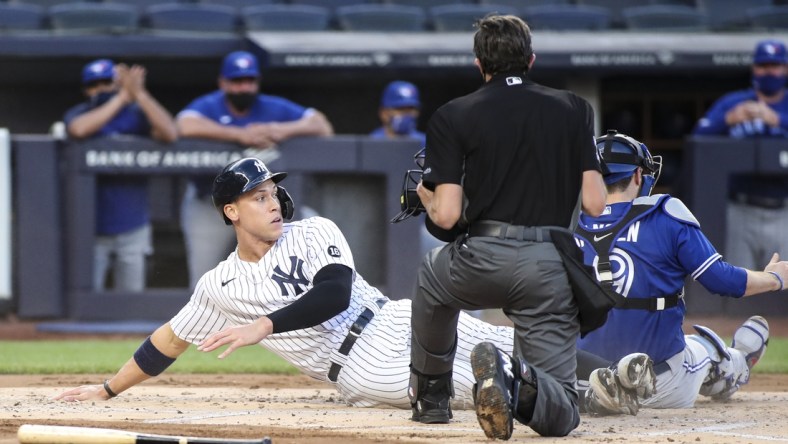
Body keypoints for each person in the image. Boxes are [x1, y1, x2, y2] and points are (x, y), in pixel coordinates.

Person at [53, 157, 519, 410]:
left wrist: (262, 326)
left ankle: (590, 381)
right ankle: (575, 400)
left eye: (273, 193)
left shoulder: (314, 229)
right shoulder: (221, 285)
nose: (273, 202)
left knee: (514, 344)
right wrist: (110, 389)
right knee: (475, 377)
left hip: (394, 316)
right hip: (358, 365)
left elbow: (335, 293)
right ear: (231, 212)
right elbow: (168, 341)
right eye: (258, 197)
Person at [408, 14, 607, 440]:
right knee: (564, 412)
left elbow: (444, 217)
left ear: (479, 64)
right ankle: (517, 382)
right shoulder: (574, 107)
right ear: (530, 60)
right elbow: (595, 202)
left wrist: (426, 201)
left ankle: (431, 398)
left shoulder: (454, 113)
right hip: (549, 267)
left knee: (430, 274)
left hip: (480, 259)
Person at [573, 130, 786, 416]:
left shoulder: (565, 224)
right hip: (659, 385)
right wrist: (775, 278)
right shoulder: (665, 212)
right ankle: (738, 364)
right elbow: (722, 280)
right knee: (703, 347)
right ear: (638, 176)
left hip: (587, 385)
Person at [176, 50, 334, 288]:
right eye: (237, 81)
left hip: (262, 207)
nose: (244, 87)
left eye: (249, 81)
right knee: (203, 279)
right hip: (211, 206)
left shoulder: (271, 107)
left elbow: (322, 125)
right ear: (223, 82)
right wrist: (240, 134)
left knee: (279, 272)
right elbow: (183, 124)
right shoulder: (210, 105)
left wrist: (282, 130)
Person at [63, 58, 178, 292]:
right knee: (88, 295)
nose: (102, 88)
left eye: (107, 82)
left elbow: (169, 133)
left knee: (131, 297)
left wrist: (140, 94)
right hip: (90, 225)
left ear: (116, 84)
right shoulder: (80, 112)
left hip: (133, 223)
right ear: (87, 90)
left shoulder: (136, 115)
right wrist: (122, 97)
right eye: (95, 84)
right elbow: (78, 129)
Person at [692, 39, 788, 271]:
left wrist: (777, 120)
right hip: (740, 206)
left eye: (775, 66)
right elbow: (697, 137)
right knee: (740, 283)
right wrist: (727, 120)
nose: (769, 71)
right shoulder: (733, 102)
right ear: (754, 69)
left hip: (784, 208)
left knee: (783, 292)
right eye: (763, 65)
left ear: (785, 69)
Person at [369, 80, 426, 147]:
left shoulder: (426, 143)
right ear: (384, 113)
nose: (406, 114)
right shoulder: (372, 142)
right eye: (400, 109)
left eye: (411, 109)